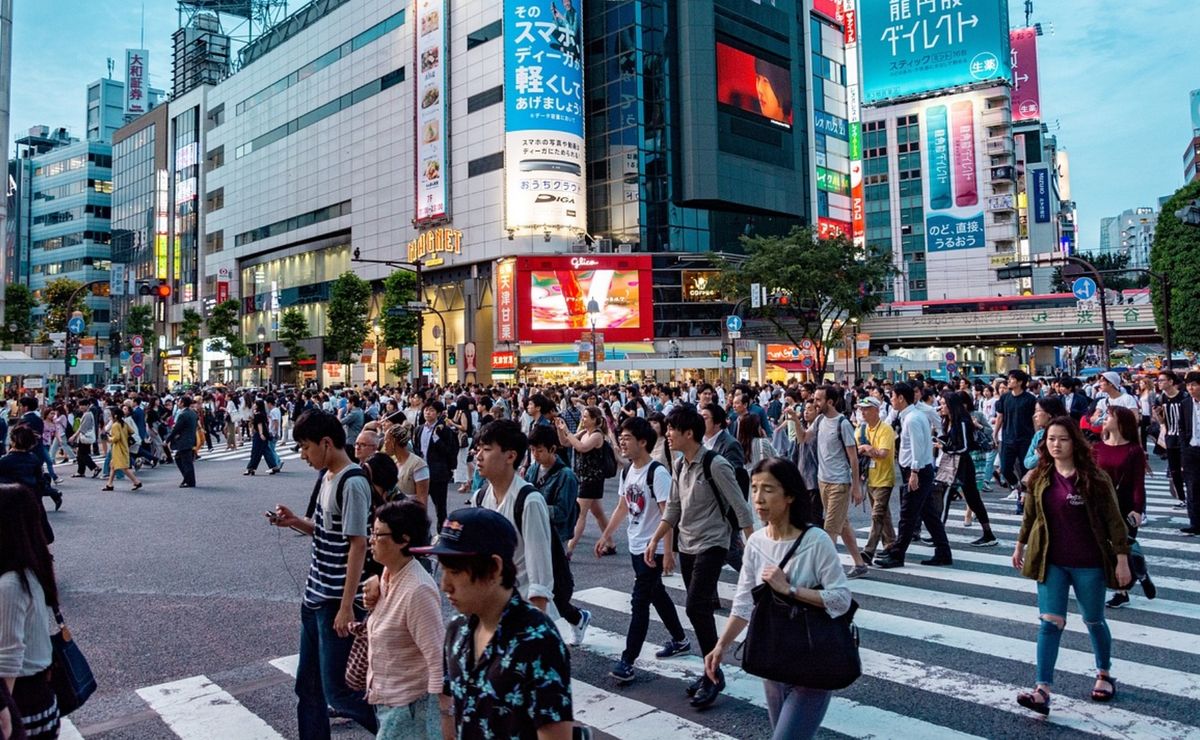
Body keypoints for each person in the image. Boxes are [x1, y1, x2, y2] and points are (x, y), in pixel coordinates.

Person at [704, 457, 849, 739]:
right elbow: (744, 602)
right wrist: (720, 646)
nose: (758, 498)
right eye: (755, 488)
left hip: (813, 662)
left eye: (768, 489)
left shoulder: (816, 541)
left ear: (790, 495)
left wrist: (790, 590)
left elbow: (842, 599)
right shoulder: (756, 543)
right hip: (774, 659)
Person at [412, 508, 574, 740]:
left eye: (455, 572)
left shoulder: (538, 639)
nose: (444, 584)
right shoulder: (457, 628)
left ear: (495, 568)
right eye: (443, 570)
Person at [1012, 417, 1132, 715]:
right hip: (1051, 561)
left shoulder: (1094, 477)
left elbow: (1114, 521)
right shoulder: (1040, 476)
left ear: (1074, 442)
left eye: (1062, 439)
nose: (1056, 444)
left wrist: (1122, 559)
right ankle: (1042, 690)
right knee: (1050, 622)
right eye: (1051, 439)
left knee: (1093, 620)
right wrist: (1019, 545)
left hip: (1088, 562)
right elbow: (1030, 515)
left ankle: (1104, 674)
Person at [268, 410, 377, 738]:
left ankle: (398, 732)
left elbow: (358, 545)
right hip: (314, 597)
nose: (303, 454)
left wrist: (347, 607)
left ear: (327, 443)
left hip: (334, 602)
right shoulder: (327, 476)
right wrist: (294, 522)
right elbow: (328, 531)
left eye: (305, 447)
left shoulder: (353, 481)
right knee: (308, 688)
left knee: (339, 692)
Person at [644, 405, 754, 708]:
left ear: (688, 433)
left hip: (713, 542)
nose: (666, 435)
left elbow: (740, 507)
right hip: (688, 543)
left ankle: (713, 675)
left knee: (695, 607)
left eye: (671, 430)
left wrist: (753, 545)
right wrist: (656, 539)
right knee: (700, 609)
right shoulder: (679, 465)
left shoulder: (715, 464)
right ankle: (710, 672)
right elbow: (674, 508)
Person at [472, 420, 592, 644]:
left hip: (521, 609)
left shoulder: (529, 501)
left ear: (510, 456)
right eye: (478, 449)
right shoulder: (481, 497)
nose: (479, 456)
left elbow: (540, 578)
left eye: (487, 450)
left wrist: (533, 639)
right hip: (493, 607)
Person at [595, 417, 690, 683]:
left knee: (640, 602)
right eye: (621, 437)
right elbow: (623, 507)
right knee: (656, 593)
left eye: (627, 438)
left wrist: (668, 552)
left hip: (654, 548)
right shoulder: (628, 472)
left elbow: (668, 515)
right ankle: (680, 640)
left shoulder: (657, 473)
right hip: (637, 545)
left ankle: (627, 661)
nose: (622, 442)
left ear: (643, 442)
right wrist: (606, 535)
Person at [361, 500, 448, 739]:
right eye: (372, 532)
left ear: (404, 539)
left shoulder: (418, 590)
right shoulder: (389, 575)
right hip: (388, 699)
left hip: (410, 707)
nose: (371, 540)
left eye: (378, 534)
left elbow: (436, 657)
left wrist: (437, 719)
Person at [0, 483, 61, 740]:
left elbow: (9, 657)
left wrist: (4, 713)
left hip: (22, 704)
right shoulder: (32, 567)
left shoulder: (11, 584)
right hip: (39, 694)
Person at [874, 382, 952, 569]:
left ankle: (897, 554)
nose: (891, 400)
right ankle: (943, 551)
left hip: (917, 470)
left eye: (892, 396)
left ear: (901, 398)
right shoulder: (908, 416)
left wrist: (914, 472)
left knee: (907, 514)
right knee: (928, 514)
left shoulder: (912, 419)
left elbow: (917, 448)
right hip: (917, 470)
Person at [803, 385, 868, 578]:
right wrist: (794, 421)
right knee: (843, 524)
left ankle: (820, 573)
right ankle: (859, 563)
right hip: (823, 480)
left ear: (829, 402)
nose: (815, 403)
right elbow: (804, 438)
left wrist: (856, 486)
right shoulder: (820, 420)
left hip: (839, 482)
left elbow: (853, 457)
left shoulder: (843, 423)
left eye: (818, 400)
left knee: (830, 528)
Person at [1094, 406, 1155, 608]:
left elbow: (1139, 483)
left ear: (1120, 422)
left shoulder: (1134, 450)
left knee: (1123, 546)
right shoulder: (1097, 448)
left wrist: (1138, 509)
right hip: (1102, 505)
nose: (1104, 419)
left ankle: (1125, 589)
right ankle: (1139, 573)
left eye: (1109, 416)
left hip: (1126, 505)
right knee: (1106, 548)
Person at [938, 392, 995, 547]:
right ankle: (988, 533)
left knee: (962, 497)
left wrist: (945, 447)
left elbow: (964, 446)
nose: (941, 406)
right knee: (957, 497)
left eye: (943, 404)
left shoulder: (962, 421)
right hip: (956, 463)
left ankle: (939, 535)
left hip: (962, 463)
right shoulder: (950, 420)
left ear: (952, 406)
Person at [556, 406, 613, 557]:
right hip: (584, 478)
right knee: (598, 513)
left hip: (592, 479)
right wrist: (561, 429)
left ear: (594, 420)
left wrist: (567, 431)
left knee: (580, 513)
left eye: (586, 417)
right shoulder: (584, 432)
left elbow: (581, 447)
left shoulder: (597, 435)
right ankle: (610, 542)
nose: (583, 419)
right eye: (583, 416)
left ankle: (568, 549)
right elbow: (565, 443)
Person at [524, 425, 580, 547]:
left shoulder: (567, 476)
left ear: (552, 449)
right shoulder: (532, 469)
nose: (535, 455)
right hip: (534, 530)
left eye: (539, 450)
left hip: (555, 535)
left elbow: (562, 512)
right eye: (532, 450)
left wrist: (534, 506)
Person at [855, 397, 895, 565]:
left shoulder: (886, 429)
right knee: (883, 514)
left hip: (885, 478)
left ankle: (869, 551)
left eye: (867, 409)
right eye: (861, 409)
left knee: (877, 515)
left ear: (877, 410)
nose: (863, 412)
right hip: (870, 478)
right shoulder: (861, 430)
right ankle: (891, 543)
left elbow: (883, 454)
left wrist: (868, 449)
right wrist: (868, 450)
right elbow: (856, 451)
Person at [415, 401, 458, 527]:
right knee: (419, 506)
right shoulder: (419, 429)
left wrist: (436, 438)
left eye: (432, 410)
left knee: (440, 507)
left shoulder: (444, 430)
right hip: (421, 472)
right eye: (426, 410)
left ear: (438, 413)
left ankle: (441, 532)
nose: (428, 413)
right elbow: (417, 448)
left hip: (438, 473)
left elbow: (449, 451)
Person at [993, 370, 1037, 494]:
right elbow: (1000, 417)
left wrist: (1037, 437)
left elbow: (1034, 419)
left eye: (1012, 379)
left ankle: (1024, 495)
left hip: (1025, 439)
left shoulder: (1030, 399)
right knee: (1005, 468)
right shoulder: (1005, 397)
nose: (1009, 381)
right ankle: (1016, 486)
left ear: (1020, 382)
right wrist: (995, 434)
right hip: (1007, 438)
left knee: (1025, 468)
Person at [1155, 371, 1186, 505]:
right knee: (1174, 471)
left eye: (1162, 380)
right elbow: (1161, 422)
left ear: (1171, 382)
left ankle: (1191, 497)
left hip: (1184, 438)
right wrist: (1158, 416)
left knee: (1188, 469)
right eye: (1159, 380)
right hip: (1170, 438)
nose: (1159, 383)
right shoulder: (1160, 398)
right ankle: (1181, 498)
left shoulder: (1183, 397)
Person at [383, 425, 430, 509]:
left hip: (409, 513)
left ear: (393, 442)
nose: (384, 444)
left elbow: (422, 498)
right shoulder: (393, 462)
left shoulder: (418, 465)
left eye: (386, 440)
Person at [102, 406, 143, 492]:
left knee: (123, 467)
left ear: (115, 416)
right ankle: (109, 484)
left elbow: (116, 438)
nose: (110, 417)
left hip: (118, 448)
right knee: (113, 465)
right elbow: (131, 431)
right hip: (124, 447)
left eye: (111, 415)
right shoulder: (124, 423)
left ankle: (137, 482)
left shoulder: (115, 425)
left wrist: (108, 438)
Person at [1179, 372, 1200, 535]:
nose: (1191, 388)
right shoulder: (1185, 404)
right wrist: (1184, 449)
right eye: (1188, 385)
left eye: (1194, 384)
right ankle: (1195, 522)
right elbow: (1182, 428)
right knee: (1192, 487)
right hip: (1191, 450)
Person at [164, 396, 199, 488]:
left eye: (179, 401)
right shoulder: (193, 413)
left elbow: (176, 429)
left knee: (186, 462)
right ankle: (188, 479)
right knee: (181, 459)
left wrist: (167, 440)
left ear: (182, 403)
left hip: (184, 440)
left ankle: (189, 481)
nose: (177, 403)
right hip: (191, 439)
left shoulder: (183, 414)